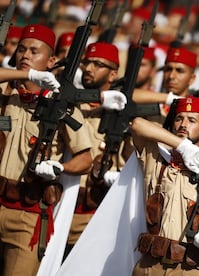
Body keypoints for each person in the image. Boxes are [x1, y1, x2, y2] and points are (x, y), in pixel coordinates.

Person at [0, 23, 93, 276]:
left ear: (51, 60)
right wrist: (26, 76)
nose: (25, 56)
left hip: (27, 215)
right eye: (21, 50)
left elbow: (86, 159)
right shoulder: (6, 91)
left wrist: (60, 167)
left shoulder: (62, 104)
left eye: (34, 51)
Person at [131, 96, 199, 275]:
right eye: (179, 118)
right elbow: (137, 124)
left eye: (192, 120)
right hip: (150, 266)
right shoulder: (157, 159)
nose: (183, 124)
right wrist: (182, 146)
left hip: (190, 269)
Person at [64, 41, 126, 258]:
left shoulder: (121, 114)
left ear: (113, 75)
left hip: (92, 212)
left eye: (98, 64)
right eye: (87, 63)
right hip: (59, 203)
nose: (88, 69)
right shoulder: (68, 104)